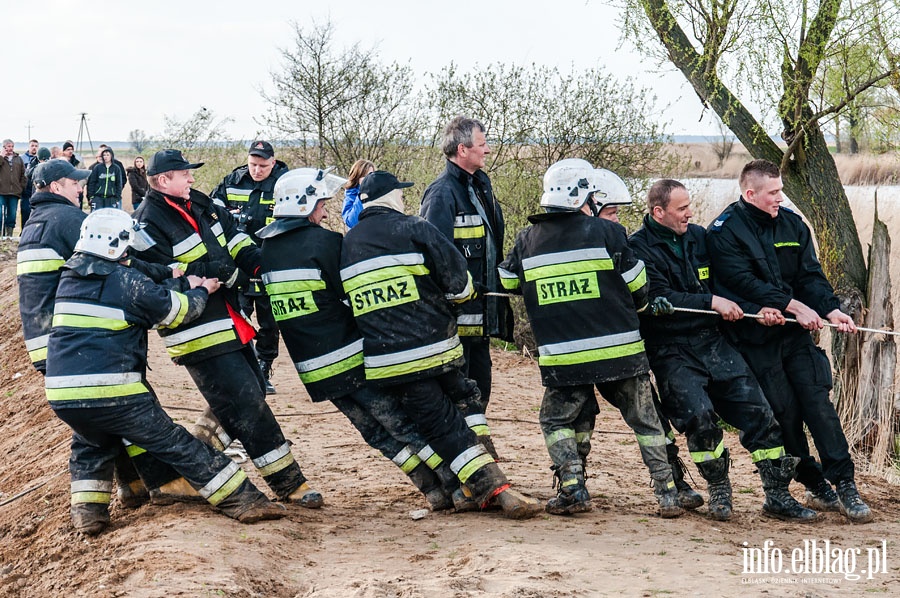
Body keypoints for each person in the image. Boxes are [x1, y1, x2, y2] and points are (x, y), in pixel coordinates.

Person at [46, 208, 285, 535]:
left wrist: (177, 276)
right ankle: (245, 502)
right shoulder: (126, 281)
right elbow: (178, 311)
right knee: (176, 444)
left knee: (92, 443)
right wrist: (202, 290)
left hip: (63, 393)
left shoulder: (69, 277)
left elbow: (143, 276)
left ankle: (89, 516)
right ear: (118, 246)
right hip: (114, 391)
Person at [257, 167, 467, 511]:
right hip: (353, 357)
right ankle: (454, 485)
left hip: (315, 370)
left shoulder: (268, 253)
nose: (326, 211)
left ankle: (430, 489)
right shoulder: (326, 243)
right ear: (304, 204)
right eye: (322, 203)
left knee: (377, 434)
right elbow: (354, 297)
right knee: (404, 424)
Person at [341, 170, 542, 519]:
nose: (404, 199)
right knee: (455, 413)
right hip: (436, 349)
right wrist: (462, 298)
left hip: (386, 362)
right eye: (400, 194)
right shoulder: (414, 228)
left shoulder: (348, 244)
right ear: (391, 197)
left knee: (447, 414)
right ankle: (495, 487)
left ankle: (465, 487)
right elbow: (458, 280)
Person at [133, 149, 322, 508]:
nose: (191, 179)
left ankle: (190, 471)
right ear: (162, 181)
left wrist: (260, 267)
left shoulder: (202, 204)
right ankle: (289, 482)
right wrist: (211, 274)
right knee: (245, 401)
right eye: (184, 174)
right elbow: (155, 278)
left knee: (245, 395)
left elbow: (237, 241)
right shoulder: (146, 223)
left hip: (228, 317)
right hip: (197, 329)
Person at [17, 158, 204, 506]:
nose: (81, 186)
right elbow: (119, 262)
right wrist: (170, 277)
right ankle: (167, 484)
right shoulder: (69, 220)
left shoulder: (35, 223)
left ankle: (122, 492)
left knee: (96, 425)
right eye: (74, 182)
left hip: (48, 343)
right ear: (56, 187)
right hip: (79, 338)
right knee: (131, 408)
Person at [498, 158, 679, 517]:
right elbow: (639, 288)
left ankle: (572, 488)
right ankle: (668, 493)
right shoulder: (609, 233)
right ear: (583, 196)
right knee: (646, 422)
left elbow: (507, 282)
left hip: (565, 358)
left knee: (557, 421)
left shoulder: (527, 240)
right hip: (621, 353)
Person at [630, 178, 817, 522]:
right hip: (671, 350)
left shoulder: (701, 237)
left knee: (760, 413)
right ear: (658, 212)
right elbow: (659, 298)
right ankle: (719, 488)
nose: (690, 213)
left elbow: (728, 284)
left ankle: (777, 495)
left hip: (715, 343)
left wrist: (756, 310)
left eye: (689, 206)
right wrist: (711, 301)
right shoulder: (637, 248)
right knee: (699, 418)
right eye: (681, 208)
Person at [707, 159, 873, 524]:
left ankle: (844, 483)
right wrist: (786, 306)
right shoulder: (723, 232)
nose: (781, 197)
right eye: (774, 192)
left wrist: (830, 311)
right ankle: (814, 483)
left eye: (781, 190)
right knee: (785, 416)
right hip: (755, 341)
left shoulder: (792, 224)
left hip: (795, 338)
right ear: (750, 193)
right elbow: (740, 284)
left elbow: (811, 275)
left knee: (819, 406)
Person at [589, 168, 703, 511]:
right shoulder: (590, 244)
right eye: (611, 213)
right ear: (588, 209)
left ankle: (674, 482)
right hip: (592, 349)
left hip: (616, 346)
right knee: (578, 421)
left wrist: (649, 304)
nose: (617, 221)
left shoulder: (618, 243)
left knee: (650, 416)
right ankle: (573, 485)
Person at [420, 117, 514, 422]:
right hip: (456, 323)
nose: (487, 150)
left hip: (482, 319)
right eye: (482, 144)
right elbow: (434, 257)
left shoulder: (481, 186)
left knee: (480, 389)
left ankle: (475, 447)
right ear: (463, 149)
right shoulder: (442, 194)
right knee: (459, 397)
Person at [210, 141, 289, 394]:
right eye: (253, 164)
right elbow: (212, 210)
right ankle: (243, 370)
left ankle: (264, 368)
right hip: (238, 261)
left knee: (269, 321)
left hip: (270, 260)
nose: (256, 170)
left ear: (273, 163)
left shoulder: (285, 183)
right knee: (236, 316)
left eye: (263, 166)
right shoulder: (233, 179)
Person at [0, 139, 26, 237]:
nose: (10, 148)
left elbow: (23, 174)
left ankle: (9, 235)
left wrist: (21, 187)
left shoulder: (18, 159)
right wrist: (2, 156)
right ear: (4, 147)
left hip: (14, 192)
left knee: (12, 215)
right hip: (1, 191)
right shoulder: (1, 157)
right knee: (0, 214)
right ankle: (1, 236)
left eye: (12, 146)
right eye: (8, 146)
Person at [21, 147, 51, 228]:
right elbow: (28, 174)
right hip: (36, 193)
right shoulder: (33, 163)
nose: (45, 162)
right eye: (43, 160)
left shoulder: (51, 164)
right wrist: (38, 167)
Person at [340, 159, 375, 229]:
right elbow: (352, 222)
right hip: (358, 237)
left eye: (371, 175)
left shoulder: (377, 193)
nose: (369, 179)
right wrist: (363, 192)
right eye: (365, 176)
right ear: (357, 177)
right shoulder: (351, 194)